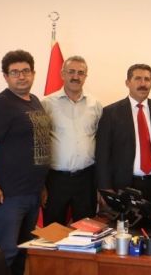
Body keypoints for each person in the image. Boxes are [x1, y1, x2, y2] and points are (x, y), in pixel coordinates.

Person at [0, 50, 52, 275]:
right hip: (8, 196)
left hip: (31, 193)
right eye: (15, 72)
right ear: (6, 76)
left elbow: (36, 144)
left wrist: (41, 185)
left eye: (26, 71)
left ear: (33, 73)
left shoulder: (34, 101)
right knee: (3, 255)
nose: (21, 76)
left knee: (22, 252)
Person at [95, 64, 151, 213]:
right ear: (127, 83)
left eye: (147, 79)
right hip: (124, 186)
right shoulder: (111, 113)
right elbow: (102, 154)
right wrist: (105, 187)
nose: (143, 83)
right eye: (138, 79)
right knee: (125, 226)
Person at [41, 55, 102, 225]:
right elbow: (39, 145)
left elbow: (100, 142)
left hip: (86, 179)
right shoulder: (46, 104)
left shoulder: (96, 105)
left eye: (81, 73)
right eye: (71, 72)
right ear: (62, 74)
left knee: (86, 229)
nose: (76, 76)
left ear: (86, 76)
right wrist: (41, 184)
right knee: (53, 230)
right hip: (55, 180)